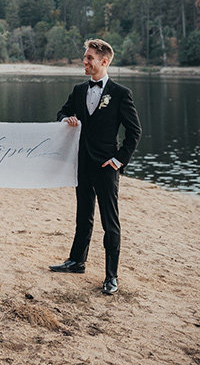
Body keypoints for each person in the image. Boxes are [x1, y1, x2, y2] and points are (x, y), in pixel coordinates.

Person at [49, 38, 141, 295]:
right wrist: (66, 118)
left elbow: (135, 132)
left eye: (89, 58)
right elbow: (61, 113)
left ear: (104, 61)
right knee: (83, 216)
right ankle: (77, 261)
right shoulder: (79, 90)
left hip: (106, 166)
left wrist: (119, 160)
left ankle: (111, 276)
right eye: (85, 57)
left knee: (110, 221)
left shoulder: (121, 94)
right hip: (82, 164)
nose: (84, 61)